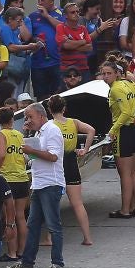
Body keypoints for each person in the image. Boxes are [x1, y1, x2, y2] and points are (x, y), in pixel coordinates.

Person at [8, 103, 68, 268]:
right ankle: (28, 261)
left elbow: (53, 156)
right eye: (26, 117)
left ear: (41, 116)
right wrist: (27, 143)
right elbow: (33, 157)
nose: (28, 120)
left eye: (30, 117)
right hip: (39, 183)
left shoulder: (52, 130)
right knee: (32, 225)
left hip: (51, 184)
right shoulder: (39, 132)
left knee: (53, 224)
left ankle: (58, 263)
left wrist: (31, 150)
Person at [47, 94, 96, 246]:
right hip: (71, 164)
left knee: (52, 204)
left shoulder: (49, 125)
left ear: (49, 109)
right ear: (64, 108)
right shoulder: (73, 122)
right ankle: (87, 238)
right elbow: (91, 130)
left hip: (56, 166)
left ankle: (49, 238)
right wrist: (85, 150)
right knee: (78, 203)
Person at [101, 60, 135, 218]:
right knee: (132, 173)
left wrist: (113, 130)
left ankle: (125, 210)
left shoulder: (116, 89)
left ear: (117, 73)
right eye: (104, 74)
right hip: (133, 130)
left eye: (109, 73)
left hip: (123, 131)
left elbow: (125, 112)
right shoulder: (131, 84)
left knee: (125, 173)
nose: (106, 77)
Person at [0, 106, 29, 262]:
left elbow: (1, 154)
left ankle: (12, 253)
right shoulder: (19, 135)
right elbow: (25, 156)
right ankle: (22, 251)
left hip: (8, 180)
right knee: (21, 216)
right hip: (22, 178)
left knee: (9, 218)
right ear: (12, 119)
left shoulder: (1, 135)